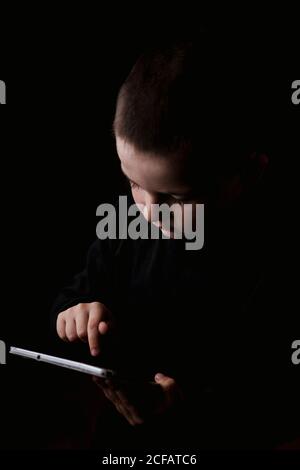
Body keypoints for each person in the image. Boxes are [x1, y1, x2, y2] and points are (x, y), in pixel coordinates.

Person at [52, 40, 299, 449]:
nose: (149, 212)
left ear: (248, 174)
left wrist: (184, 406)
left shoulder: (268, 263)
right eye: (134, 184)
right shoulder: (125, 230)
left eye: (176, 198)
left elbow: (272, 396)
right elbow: (75, 293)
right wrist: (74, 314)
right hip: (123, 433)